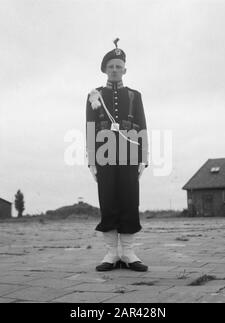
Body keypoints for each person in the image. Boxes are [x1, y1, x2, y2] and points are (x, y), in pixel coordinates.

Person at [86, 38, 149, 272]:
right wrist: (91, 160)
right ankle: (112, 253)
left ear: (124, 69)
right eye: (110, 66)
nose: (114, 70)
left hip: (129, 151)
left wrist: (143, 157)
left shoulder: (135, 95)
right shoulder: (94, 95)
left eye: (118, 66)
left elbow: (142, 125)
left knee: (130, 200)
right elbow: (90, 126)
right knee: (108, 200)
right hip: (104, 152)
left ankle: (129, 253)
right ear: (105, 69)